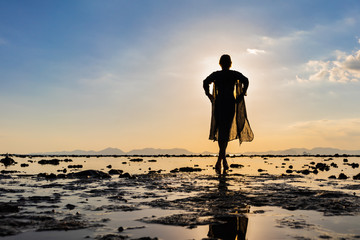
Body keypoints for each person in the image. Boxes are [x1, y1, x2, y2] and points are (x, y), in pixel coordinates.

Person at [203, 54, 254, 173]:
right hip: (229, 104)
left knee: (222, 132)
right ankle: (221, 160)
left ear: (220, 63)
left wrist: (208, 94)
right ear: (230, 63)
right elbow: (246, 80)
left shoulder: (217, 75)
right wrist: (243, 93)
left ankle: (221, 160)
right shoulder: (233, 74)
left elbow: (205, 82)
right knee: (224, 132)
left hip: (220, 104)